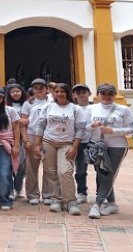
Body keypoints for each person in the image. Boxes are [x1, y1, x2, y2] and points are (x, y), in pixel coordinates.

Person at [84, 83, 133, 219]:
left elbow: (132, 129)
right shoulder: (91, 108)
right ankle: (112, 203)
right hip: (97, 146)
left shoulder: (123, 110)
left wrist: (114, 130)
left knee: (108, 174)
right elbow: (84, 127)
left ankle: (97, 204)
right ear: (98, 94)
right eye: (103, 93)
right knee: (101, 174)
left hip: (117, 146)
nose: (106, 96)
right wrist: (92, 125)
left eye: (110, 93)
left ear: (114, 95)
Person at [33, 83, 82, 215]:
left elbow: (79, 130)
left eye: (62, 91)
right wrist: (37, 145)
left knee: (65, 171)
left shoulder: (75, 109)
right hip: (48, 142)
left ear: (68, 93)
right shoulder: (48, 107)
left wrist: (74, 147)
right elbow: (40, 126)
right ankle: (57, 199)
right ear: (54, 93)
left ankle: (71, 201)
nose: (59, 94)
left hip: (66, 143)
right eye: (57, 91)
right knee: (51, 172)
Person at [20, 78, 54, 205]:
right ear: (33, 89)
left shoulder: (52, 101)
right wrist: (25, 140)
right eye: (36, 88)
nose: (39, 90)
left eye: (41, 87)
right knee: (31, 168)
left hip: (48, 137)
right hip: (32, 136)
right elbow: (22, 123)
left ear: (46, 89)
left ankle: (48, 194)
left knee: (49, 167)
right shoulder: (28, 103)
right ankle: (32, 194)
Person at [71, 84, 92, 204]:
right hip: (79, 143)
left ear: (89, 94)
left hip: (94, 142)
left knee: (101, 170)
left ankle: (101, 192)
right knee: (80, 170)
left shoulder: (95, 108)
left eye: (84, 92)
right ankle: (81, 192)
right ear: (74, 95)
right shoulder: (72, 109)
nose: (81, 95)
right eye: (78, 93)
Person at [6, 84, 27, 199]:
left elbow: (29, 120)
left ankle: (18, 188)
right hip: (8, 138)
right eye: (13, 92)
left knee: (20, 165)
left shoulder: (27, 104)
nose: (15, 94)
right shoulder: (5, 105)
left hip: (23, 139)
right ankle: (10, 190)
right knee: (8, 165)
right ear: (9, 94)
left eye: (17, 91)